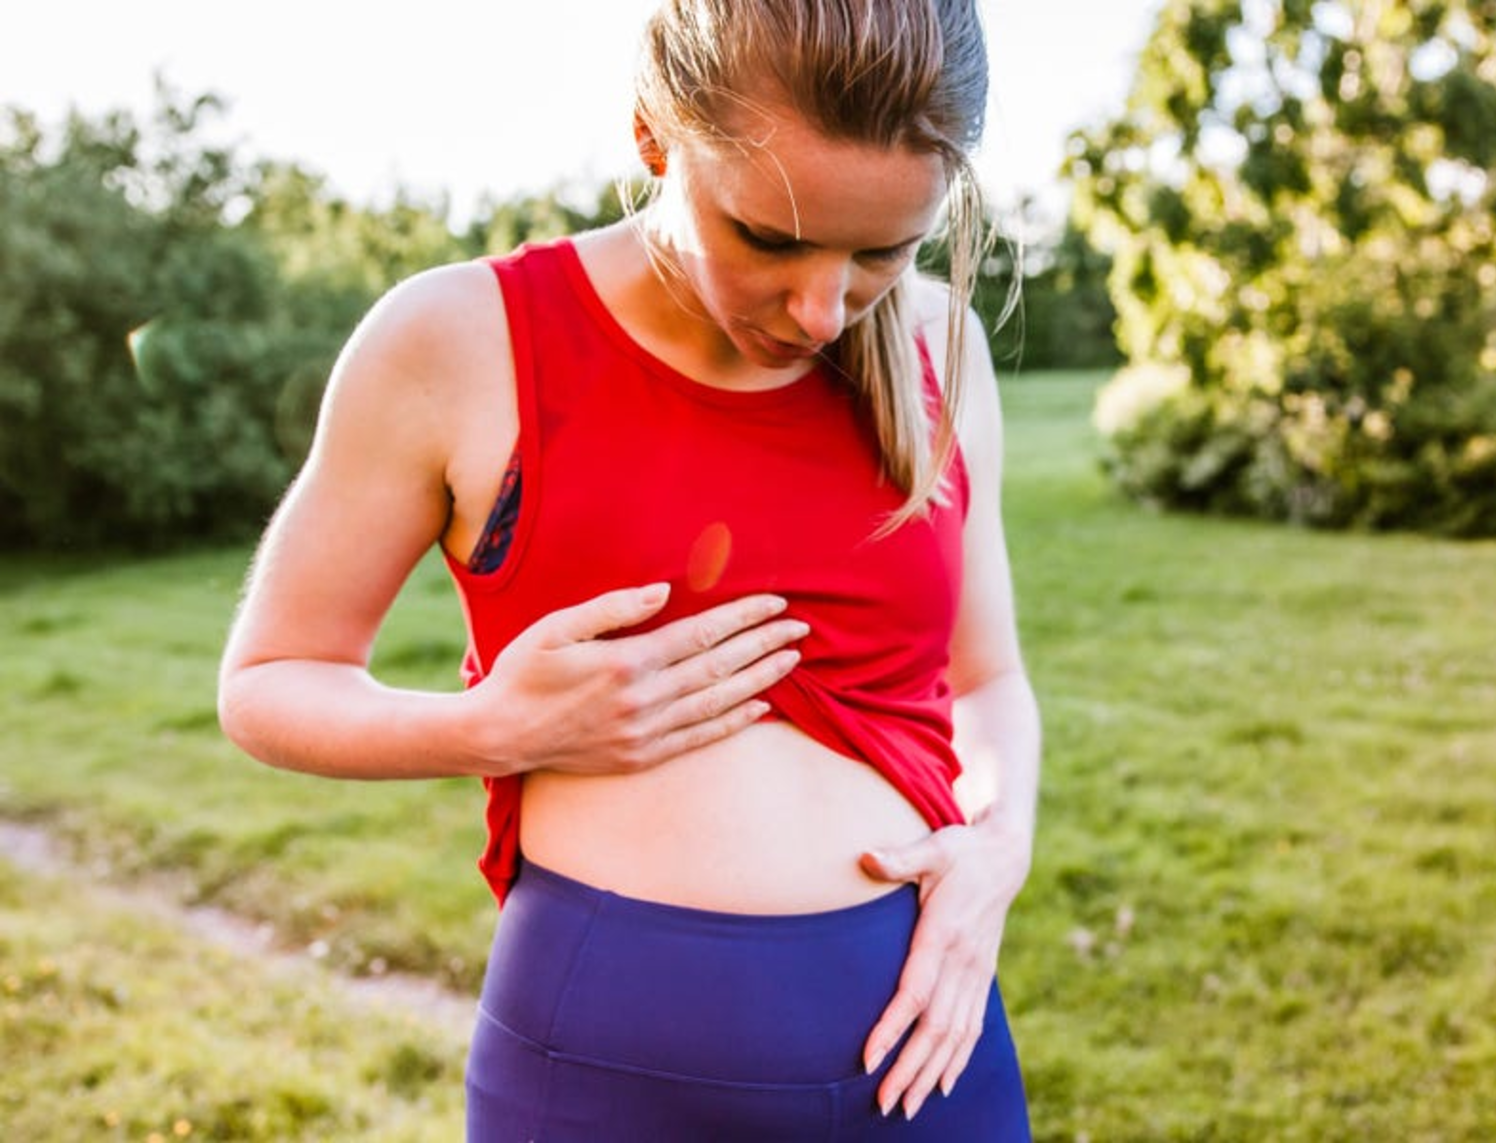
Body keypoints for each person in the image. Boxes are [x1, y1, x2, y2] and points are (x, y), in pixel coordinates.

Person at [214, 1, 1037, 1136]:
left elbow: (986, 681)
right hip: (602, 1069)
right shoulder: (460, 340)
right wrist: (489, 728)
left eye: (881, 252)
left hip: (928, 1055)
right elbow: (270, 679)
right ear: (654, 133)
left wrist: (998, 851)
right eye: (769, 238)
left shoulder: (945, 344)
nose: (820, 311)